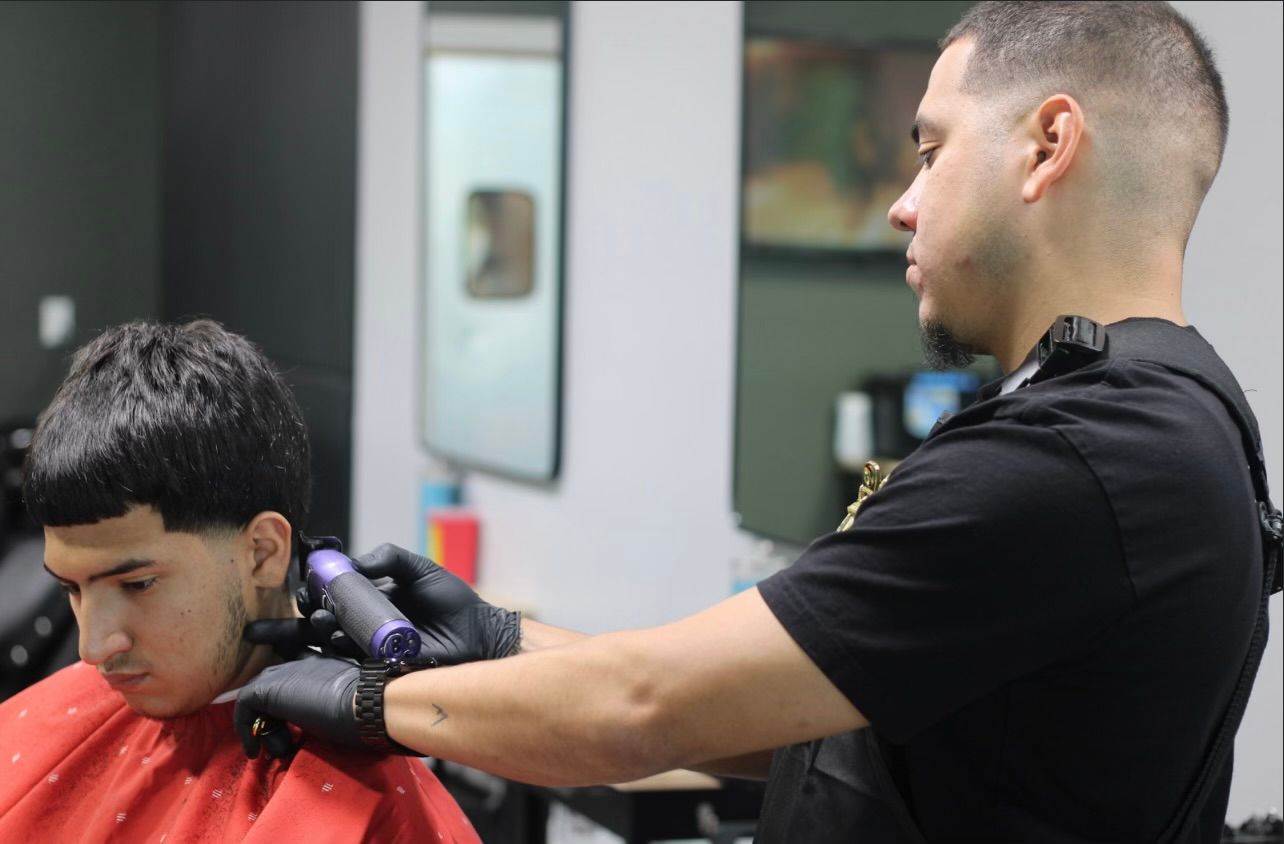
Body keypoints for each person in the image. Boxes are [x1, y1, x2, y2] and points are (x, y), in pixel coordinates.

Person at [235, 3, 1281, 842]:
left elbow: (643, 709)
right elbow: (812, 718)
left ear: (1049, 145)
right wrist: (501, 642)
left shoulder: (1077, 458)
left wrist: (369, 705)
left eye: (931, 150)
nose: (902, 204)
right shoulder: (1170, 423)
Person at [0, 320, 480, 844]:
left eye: (137, 585)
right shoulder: (37, 729)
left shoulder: (372, 810)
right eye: (72, 588)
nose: (92, 649)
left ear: (263, 553)